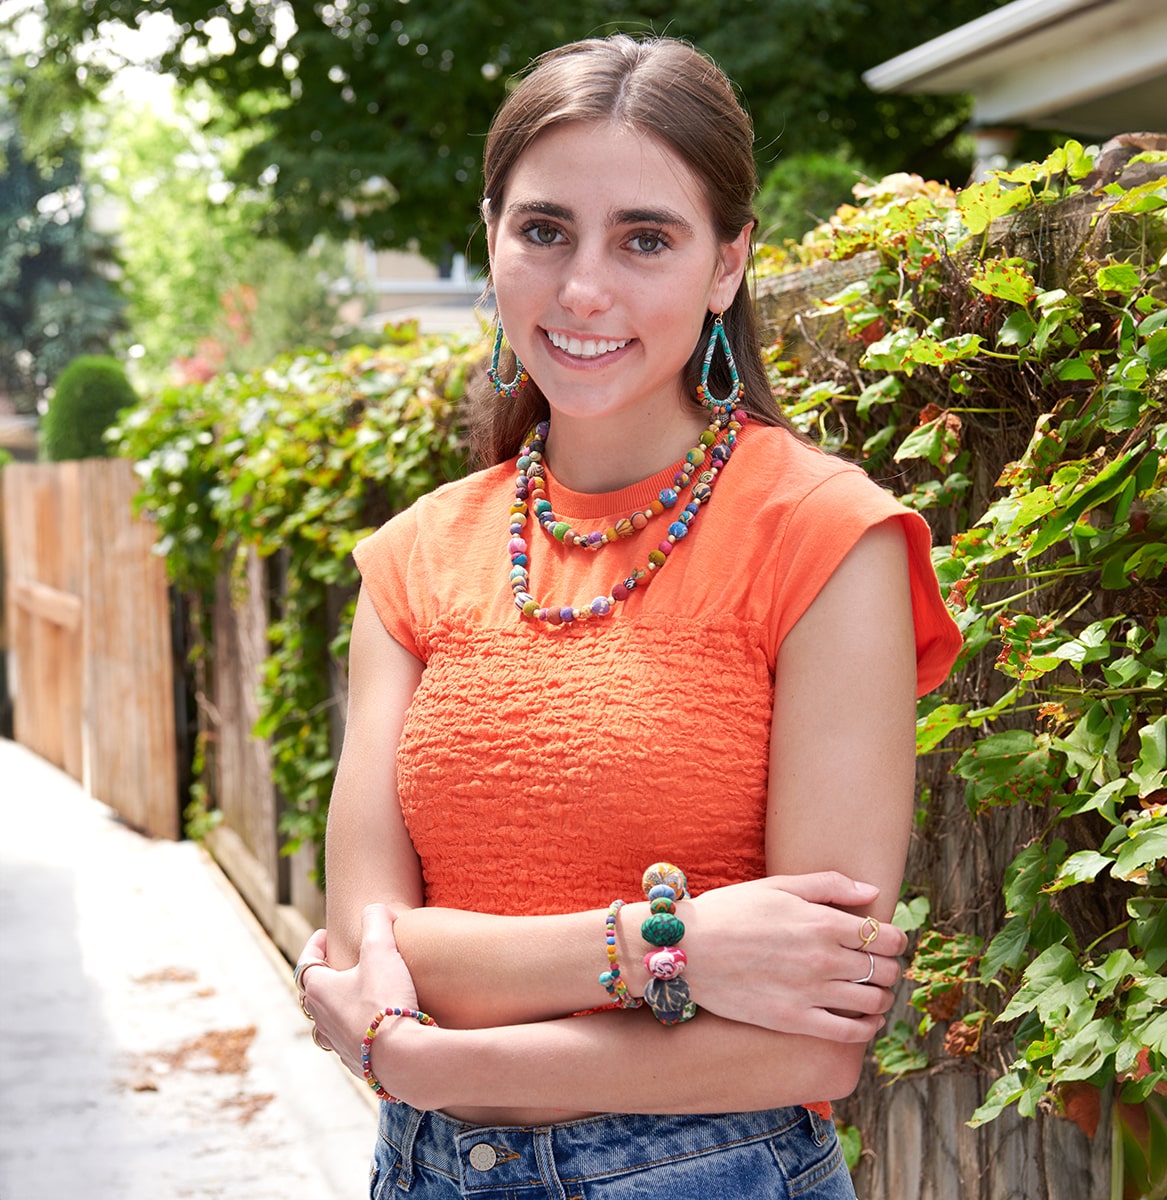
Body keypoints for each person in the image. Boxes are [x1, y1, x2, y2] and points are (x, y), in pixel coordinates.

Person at [297, 32, 961, 1200]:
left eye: (645, 238)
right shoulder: (413, 560)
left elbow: (809, 1038)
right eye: (543, 229)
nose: (584, 287)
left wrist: (428, 1058)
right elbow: (372, 953)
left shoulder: (824, 539)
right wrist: (673, 948)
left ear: (725, 266)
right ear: (492, 238)